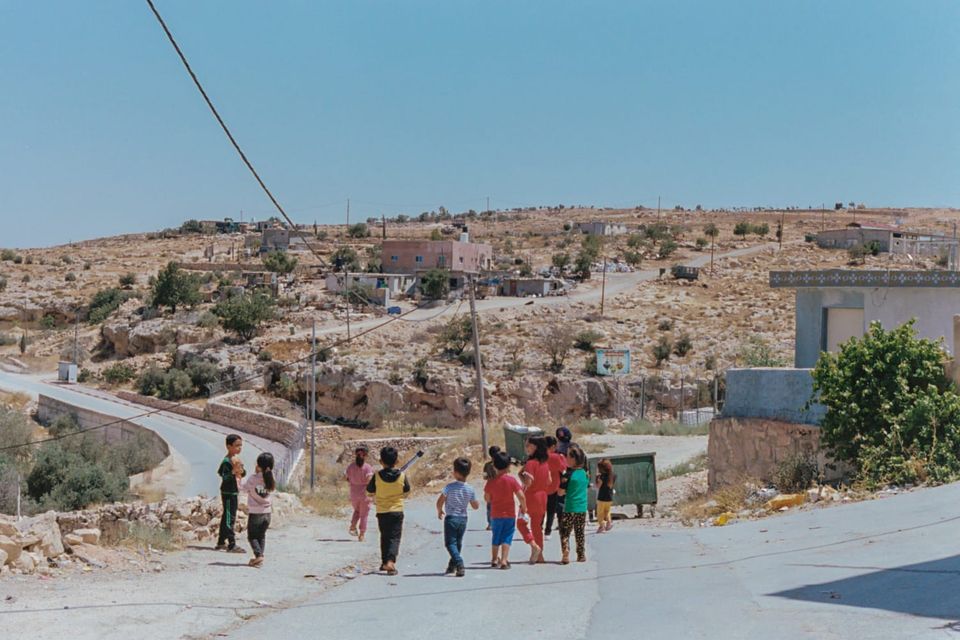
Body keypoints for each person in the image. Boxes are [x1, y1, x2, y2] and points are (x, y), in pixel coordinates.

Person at [366, 446, 410, 575]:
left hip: (382, 511)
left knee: (384, 537)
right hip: (397, 510)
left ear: (381, 461)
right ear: (396, 461)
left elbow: (369, 491)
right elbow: (406, 491)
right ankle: (390, 561)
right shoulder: (402, 476)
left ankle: (384, 562)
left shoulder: (377, 476)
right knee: (394, 537)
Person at [436, 457, 480, 577]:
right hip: (463, 519)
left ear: (455, 473)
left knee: (450, 543)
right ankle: (452, 566)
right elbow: (475, 506)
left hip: (451, 518)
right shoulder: (470, 489)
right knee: (458, 542)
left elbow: (440, 500)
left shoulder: (449, 487)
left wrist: (439, 510)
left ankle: (459, 563)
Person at [484, 451, 527, 570]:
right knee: (507, 537)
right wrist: (524, 507)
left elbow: (487, 498)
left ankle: (494, 559)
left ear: (494, 466)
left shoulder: (491, 482)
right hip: (509, 515)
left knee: (496, 536)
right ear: (509, 466)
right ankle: (503, 560)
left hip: (495, 514)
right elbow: (521, 496)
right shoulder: (511, 480)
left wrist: (493, 498)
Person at [520, 436, 551, 563]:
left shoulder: (530, 463)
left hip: (531, 496)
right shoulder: (545, 463)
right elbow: (549, 480)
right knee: (537, 526)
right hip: (543, 496)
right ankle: (540, 555)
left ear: (535, 447)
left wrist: (522, 479)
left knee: (520, 522)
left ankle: (534, 545)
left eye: (528, 445)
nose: (526, 448)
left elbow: (529, 482)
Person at [242, 452, 276, 567]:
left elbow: (243, 488)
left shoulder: (253, 478)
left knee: (252, 536)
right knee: (261, 535)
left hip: (255, 512)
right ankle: (259, 557)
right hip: (267, 512)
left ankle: (258, 556)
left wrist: (237, 478)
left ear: (258, 465)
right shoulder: (271, 478)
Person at [216, 434, 246, 553]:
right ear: (229, 446)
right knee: (230, 518)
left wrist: (240, 470)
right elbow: (224, 476)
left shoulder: (236, 459)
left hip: (233, 491)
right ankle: (231, 544)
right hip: (228, 492)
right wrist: (233, 471)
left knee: (226, 517)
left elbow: (242, 473)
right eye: (236, 445)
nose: (239, 448)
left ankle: (221, 542)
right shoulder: (226, 461)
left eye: (240, 445)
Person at [559, 445, 588, 564]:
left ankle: (565, 552)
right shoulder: (584, 474)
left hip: (570, 507)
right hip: (581, 508)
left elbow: (560, 492)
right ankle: (581, 555)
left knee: (565, 531)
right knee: (579, 532)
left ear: (573, 459)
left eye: (567, 456)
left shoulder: (568, 475)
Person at [345, 445, 374, 542]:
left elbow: (346, 478)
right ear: (366, 455)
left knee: (357, 510)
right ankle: (362, 534)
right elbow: (369, 480)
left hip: (353, 492)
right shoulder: (367, 467)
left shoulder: (351, 466)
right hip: (364, 493)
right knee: (364, 514)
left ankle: (353, 526)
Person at [544, 435, 567, 538]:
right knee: (554, 509)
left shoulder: (539, 457)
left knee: (544, 510)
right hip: (554, 486)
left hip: (542, 487)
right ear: (553, 446)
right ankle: (553, 530)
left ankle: (542, 529)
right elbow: (563, 469)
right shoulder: (556, 457)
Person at [482, 445, 501, 531]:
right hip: (500, 486)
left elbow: (484, 476)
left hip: (490, 487)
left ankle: (490, 524)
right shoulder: (501, 464)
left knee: (490, 506)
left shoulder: (487, 465)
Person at [595, 458, 616, 533]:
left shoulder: (601, 476)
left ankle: (602, 526)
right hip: (609, 497)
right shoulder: (613, 475)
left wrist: (597, 477)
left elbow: (598, 486)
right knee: (607, 511)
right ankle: (609, 523)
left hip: (601, 498)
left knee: (600, 513)